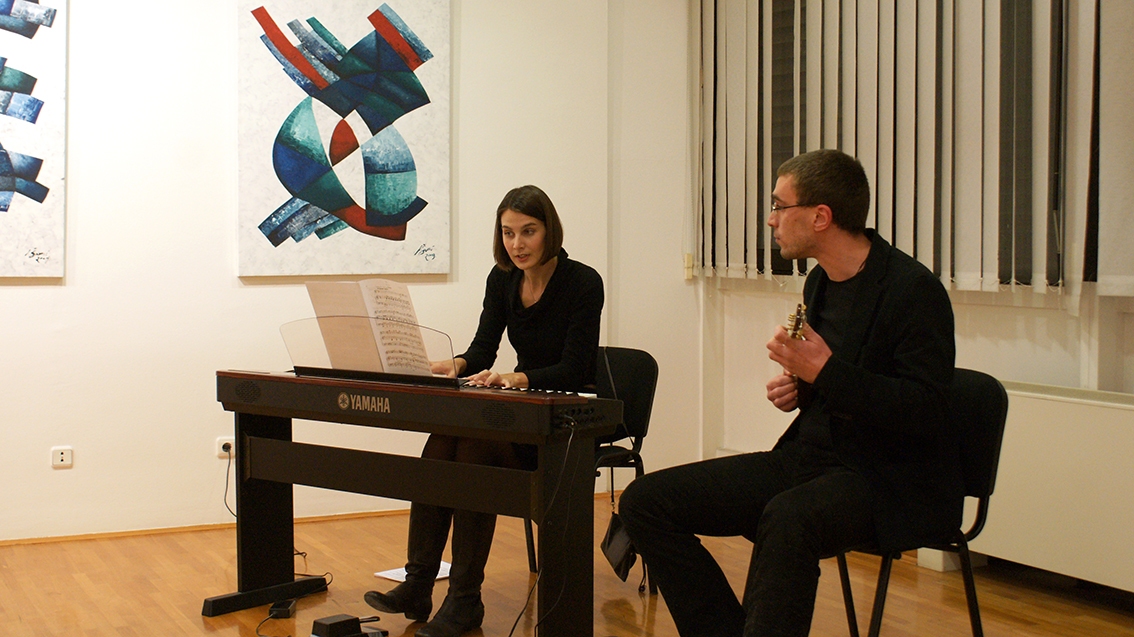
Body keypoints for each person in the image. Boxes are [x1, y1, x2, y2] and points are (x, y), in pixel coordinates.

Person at [618, 149, 963, 637]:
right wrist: (802, 388)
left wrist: (824, 373)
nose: (771, 219)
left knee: (788, 518)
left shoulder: (913, 290)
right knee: (644, 501)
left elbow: (924, 410)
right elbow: (839, 381)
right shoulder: (819, 281)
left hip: (883, 475)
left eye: (780, 206)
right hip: (809, 459)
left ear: (820, 216)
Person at [364, 184, 604, 637]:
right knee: (443, 441)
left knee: (474, 450)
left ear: (550, 231)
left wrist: (516, 378)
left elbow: (575, 368)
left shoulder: (583, 282)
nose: (517, 244)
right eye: (508, 233)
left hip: (563, 422)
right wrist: (454, 365)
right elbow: (482, 348)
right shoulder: (502, 278)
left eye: (528, 231)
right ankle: (418, 583)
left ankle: (464, 600)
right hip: (522, 409)